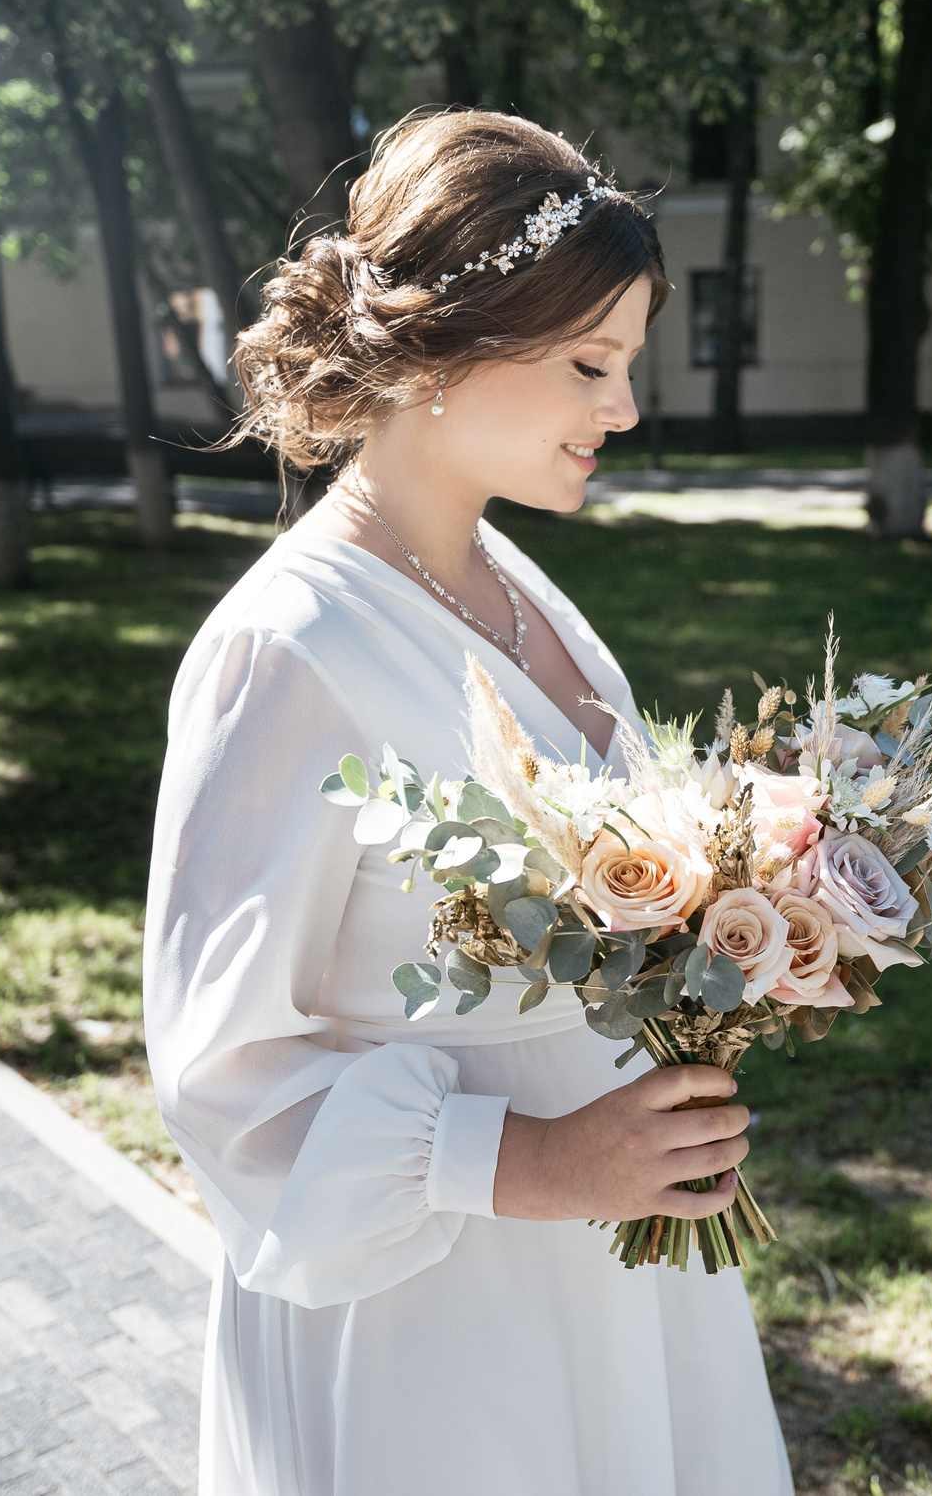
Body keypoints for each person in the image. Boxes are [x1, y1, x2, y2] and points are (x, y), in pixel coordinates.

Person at [142, 110, 792, 1495]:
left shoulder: (514, 585)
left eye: (627, 366)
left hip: (621, 1268)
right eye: (589, 364)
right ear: (448, 344)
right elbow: (221, 1073)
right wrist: (542, 1164)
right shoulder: (288, 649)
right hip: (439, 1321)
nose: (623, 410)